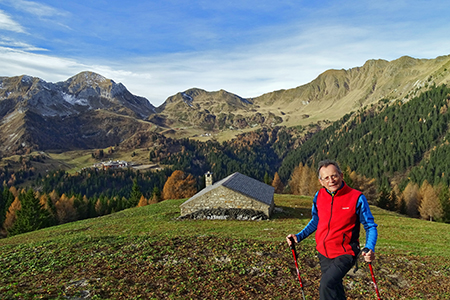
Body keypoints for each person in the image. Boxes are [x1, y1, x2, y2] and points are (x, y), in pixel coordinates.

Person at [286, 159, 378, 300]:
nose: (331, 180)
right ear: (321, 181)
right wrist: (299, 236)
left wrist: (369, 247)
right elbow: (316, 220)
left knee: (326, 284)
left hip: (346, 252)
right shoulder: (319, 196)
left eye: (334, 176)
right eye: (326, 178)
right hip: (324, 252)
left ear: (341, 175)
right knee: (334, 286)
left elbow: (370, 226)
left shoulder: (357, 198)